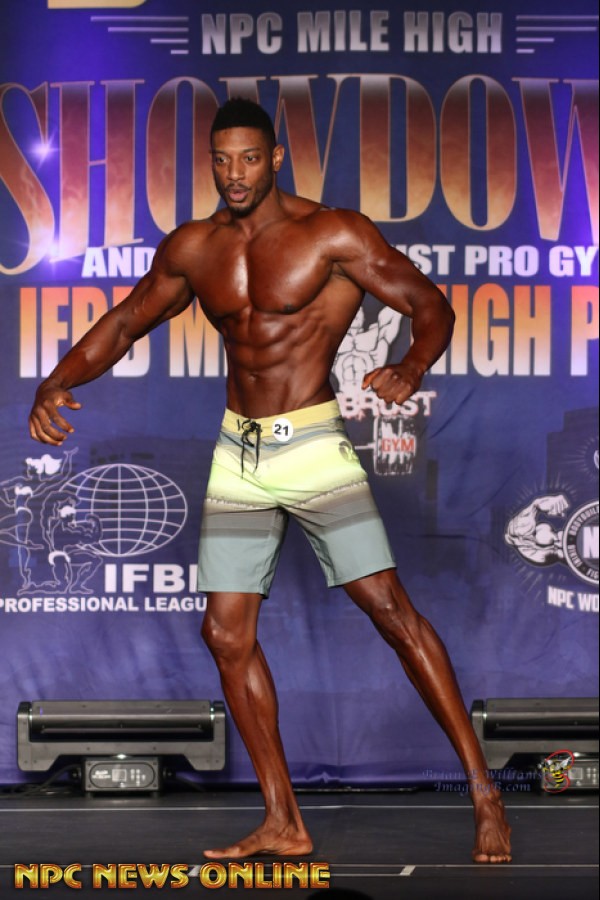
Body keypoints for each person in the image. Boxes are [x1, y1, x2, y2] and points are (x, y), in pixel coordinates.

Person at [29, 98, 512, 864]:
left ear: (276, 158)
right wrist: (56, 381)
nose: (235, 174)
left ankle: (485, 793)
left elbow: (430, 303)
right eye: (222, 160)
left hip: (313, 446)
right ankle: (284, 819)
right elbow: (124, 322)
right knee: (226, 634)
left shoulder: (333, 234)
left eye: (249, 158)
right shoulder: (196, 247)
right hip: (240, 453)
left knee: (391, 613)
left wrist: (413, 365)